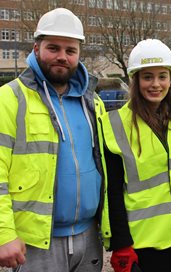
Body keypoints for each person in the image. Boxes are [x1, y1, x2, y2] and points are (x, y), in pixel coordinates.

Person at [0, 8, 104, 271]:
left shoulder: (93, 102)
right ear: (36, 48)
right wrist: (3, 235)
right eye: (53, 48)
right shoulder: (10, 99)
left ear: (79, 53)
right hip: (35, 244)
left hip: (89, 236)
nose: (62, 57)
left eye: (70, 50)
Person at [101, 39, 171, 272]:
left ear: (170, 79)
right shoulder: (114, 125)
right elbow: (112, 191)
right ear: (135, 80)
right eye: (147, 76)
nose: (156, 84)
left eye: (162, 76)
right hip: (142, 244)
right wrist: (122, 244)